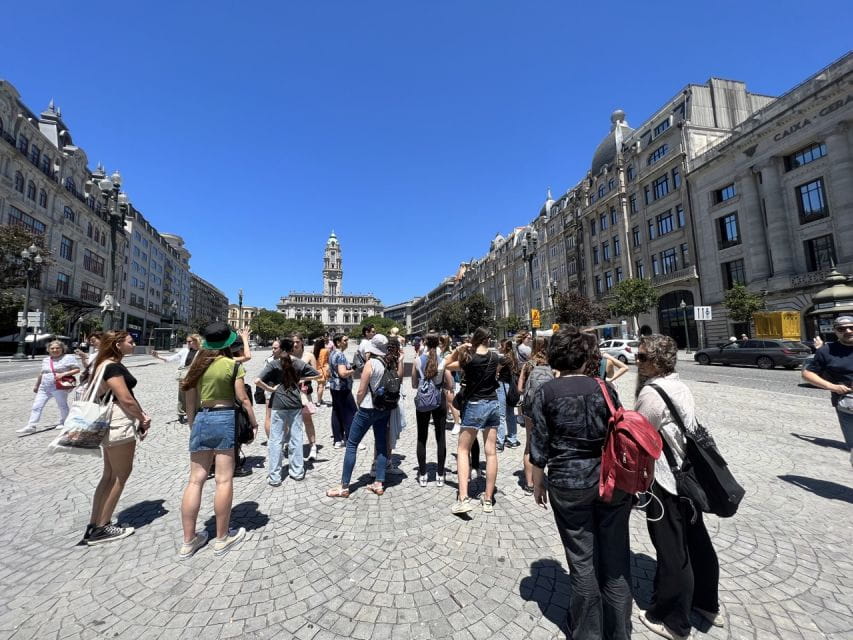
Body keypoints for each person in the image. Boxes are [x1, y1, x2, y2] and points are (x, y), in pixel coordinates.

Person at [529, 327, 632, 640]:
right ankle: (619, 630)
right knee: (615, 559)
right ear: (586, 357)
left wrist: (537, 482)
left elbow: (539, 444)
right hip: (610, 480)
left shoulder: (546, 392)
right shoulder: (604, 388)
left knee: (581, 558)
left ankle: (587, 632)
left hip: (569, 481)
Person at [634, 334, 722, 639]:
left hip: (665, 480)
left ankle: (673, 620)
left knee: (672, 551)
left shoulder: (653, 392)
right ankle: (707, 602)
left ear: (658, 361)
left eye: (642, 356)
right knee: (697, 541)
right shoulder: (679, 385)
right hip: (688, 476)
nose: (637, 360)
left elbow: (639, 436)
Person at [179, 322, 257, 558]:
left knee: (195, 480)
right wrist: (253, 423)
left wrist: (194, 424)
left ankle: (188, 540)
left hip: (202, 418)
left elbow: (189, 402)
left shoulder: (196, 366)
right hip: (225, 418)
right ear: (227, 342)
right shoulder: (232, 366)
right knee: (223, 480)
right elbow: (243, 399)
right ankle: (222, 538)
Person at [83, 332, 152, 545]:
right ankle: (103, 527)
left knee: (109, 474)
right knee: (121, 475)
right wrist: (142, 418)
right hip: (118, 422)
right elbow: (125, 398)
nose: (134, 344)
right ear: (117, 344)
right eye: (130, 342)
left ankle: (94, 524)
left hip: (108, 422)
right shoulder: (112, 366)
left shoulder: (102, 364)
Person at [445, 327, 506, 514]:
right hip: (493, 403)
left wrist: (459, 348)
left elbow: (447, 364)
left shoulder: (468, 359)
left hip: (475, 404)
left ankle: (463, 497)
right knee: (491, 452)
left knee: (463, 449)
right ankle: (488, 498)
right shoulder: (495, 357)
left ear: (474, 340)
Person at [326, 334, 393, 498]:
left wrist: (358, 402)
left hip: (368, 408)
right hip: (384, 408)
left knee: (351, 444)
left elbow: (362, 390)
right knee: (382, 444)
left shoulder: (371, 363)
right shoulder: (388, 362)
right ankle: (379, 482)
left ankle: (344, 486)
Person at [255, 337, 319, 485]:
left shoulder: (274, 364)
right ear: (292, 349)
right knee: (296, 438)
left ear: (281, 348)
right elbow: (317, 374)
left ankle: (274, 476)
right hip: (295, 403)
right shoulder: (298, 363)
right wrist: (299, 378)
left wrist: (271, 389)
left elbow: (257, 381)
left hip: (278, 403)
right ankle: (297, 472)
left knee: (276, 440)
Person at [803, 315, 853, 467]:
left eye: (851, 327)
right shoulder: (826, 351)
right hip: (848, 406)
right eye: (842, 329)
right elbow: (807, 374)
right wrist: (833, 387)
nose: (848, 331)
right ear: (835, 331)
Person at [412, 332, 454, 486]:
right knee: (440, 436)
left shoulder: (417, 360)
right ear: (438, 343)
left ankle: (423, 474)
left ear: (425, 343)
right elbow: (450, 384)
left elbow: (414, 384)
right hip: (439, 399)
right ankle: (441, 475)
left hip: (423, 400)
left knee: (421, 436)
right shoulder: (442, 360)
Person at [18, 340, 81, 435]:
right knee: (37, 406)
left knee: (62, 405)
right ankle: (31, 425)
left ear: (62, 349)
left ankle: (64, 422)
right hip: (45, 386)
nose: (55, 350)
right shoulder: (46, 359)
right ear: (48, 350)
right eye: (52, 348)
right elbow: (42, 372)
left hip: (59, 386)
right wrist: (37, 385)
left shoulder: (68, 358)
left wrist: (64, 373)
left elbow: (77, 369)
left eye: (57, 348)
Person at [517, 336, 552, 494]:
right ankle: (548, 479)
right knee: (550, 443)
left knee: (529, 445)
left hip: (531, 409)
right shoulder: (552, 365)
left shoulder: (528, 365)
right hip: (548, 409)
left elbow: (519, 389)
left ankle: (530, 483)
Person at [152, 334, 202, 424]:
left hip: (195, 375)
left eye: (190, 341)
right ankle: (181, 414)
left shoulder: (201, 351)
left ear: (196, 341)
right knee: (182, 395)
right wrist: (158, 357)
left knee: (197, 395)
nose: (188, 343)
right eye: (187, 341)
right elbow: (171, 359)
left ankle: (196, 412)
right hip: (183, 375)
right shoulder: (184, 351)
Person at [291, 333, 321, 461]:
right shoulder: (288, 356)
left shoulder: (309, 356)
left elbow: (317, 375)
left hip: (304, 392)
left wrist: (302, 379)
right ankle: (294, 447)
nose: (295, 344)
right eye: (293, 342)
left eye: (298, 341)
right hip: (290, 392)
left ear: (302, 342)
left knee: (307, 419)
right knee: (291, 421)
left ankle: (313, 446)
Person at [328, 333, 358, 448]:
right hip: (342, 388)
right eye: (345, 340)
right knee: (351, 412)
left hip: (334, 387)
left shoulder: (332, 353)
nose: (347, 342)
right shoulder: (340, 355)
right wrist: (353, 370)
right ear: (338, 342)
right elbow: (343, 373)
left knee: (336, 412)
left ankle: (338, 439)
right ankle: (351, 439)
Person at [496, 338, 521, 451]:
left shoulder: (504, 359)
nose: (498, 347)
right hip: (511, 387)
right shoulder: (514, 358)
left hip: (503, 386)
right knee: (510, 414)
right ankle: (512, 439)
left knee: (501, 415)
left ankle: (500, 441)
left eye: (500, 346)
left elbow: (495, 371)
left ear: (504, 347)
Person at [314, 338, 330, 407]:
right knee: (321, 386)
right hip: (323, 370)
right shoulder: (325, 350)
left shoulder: (314, 351)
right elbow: (328, 359)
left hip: (317, 370)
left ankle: (320, 399)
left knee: (319, 385)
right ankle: (318, 402)